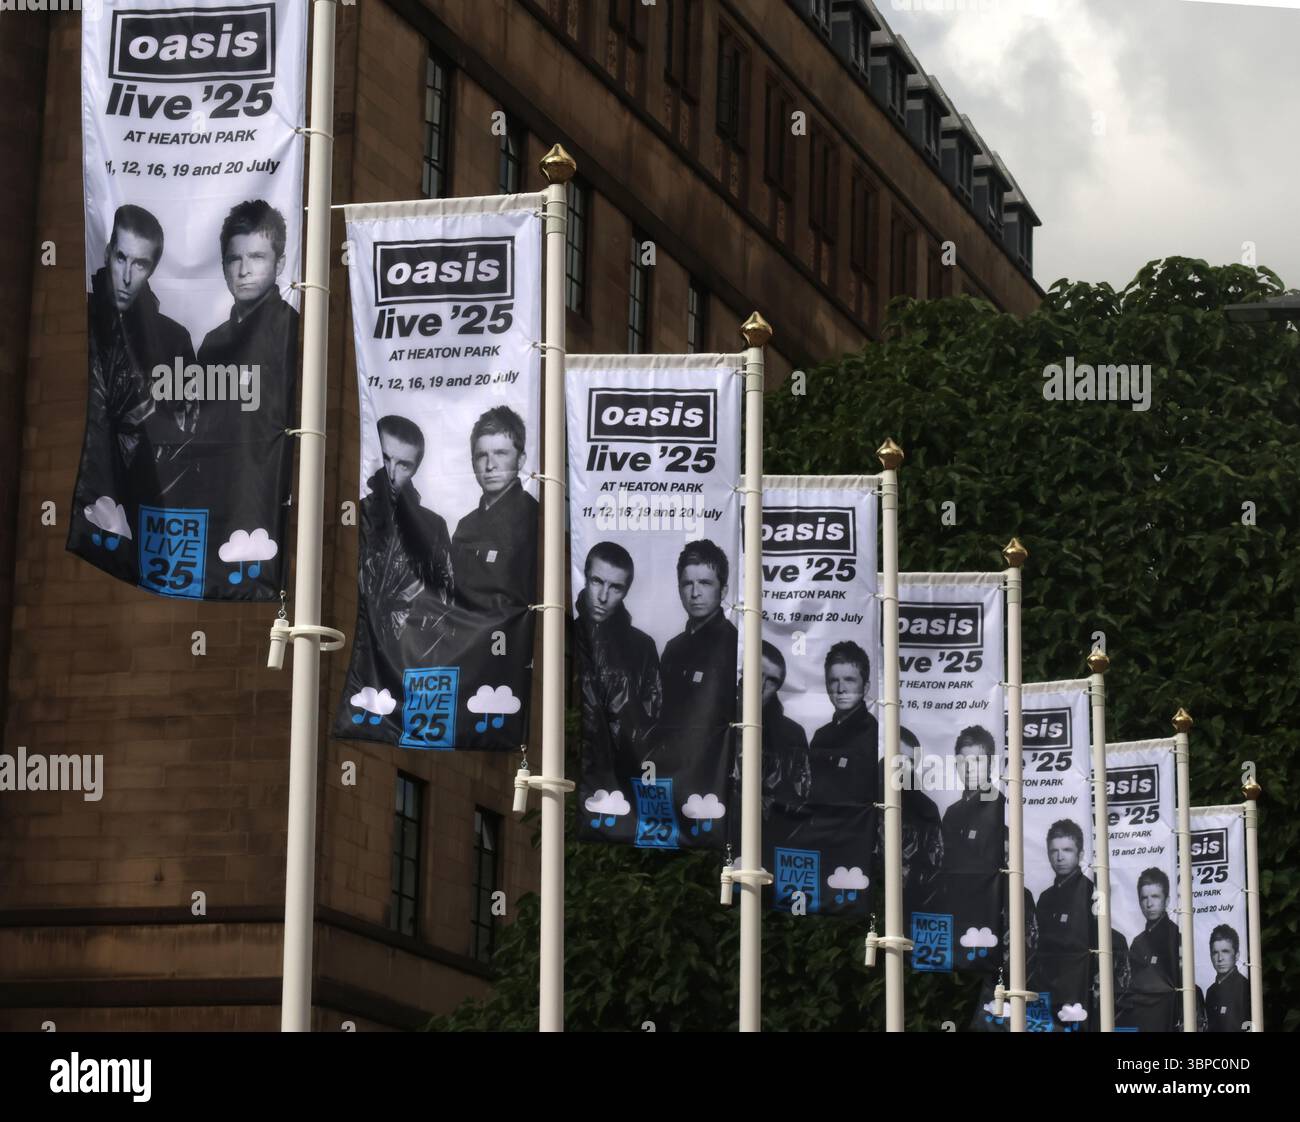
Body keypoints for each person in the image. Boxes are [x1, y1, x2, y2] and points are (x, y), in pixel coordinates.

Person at [79, 204, 195, 514]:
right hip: (84, 487)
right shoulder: (80, 320)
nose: (127, 276)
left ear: (152, 269)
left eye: (140, 265)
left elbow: (188, 433)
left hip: (146, 497)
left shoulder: (172, 340)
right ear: (108, 254)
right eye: (121, 258)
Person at [358, 415, 456, 671]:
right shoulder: (356, 516)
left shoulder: (432, 527)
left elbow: (445, 605)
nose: (391, 473)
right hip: (354, 651)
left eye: (403, 465)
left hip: (404, 661)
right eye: (386, 458)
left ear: (415, 469)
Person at [574, 541, 661, 788]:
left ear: (626, 592)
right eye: (597, 581)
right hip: (568, 765)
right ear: (586, 578)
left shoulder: (642, 647)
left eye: (615, 588)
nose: (603, 597)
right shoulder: (564, 633)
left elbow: (651, 723)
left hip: (621, 779)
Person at [452, 405, 539, 617]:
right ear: (473, 463)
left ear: (521, 459)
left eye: (500, 453)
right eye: (482, 455)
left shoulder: (535, 517)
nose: (490, 465)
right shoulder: (465, 526)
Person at [657, 539, 738, 743]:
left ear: (724, 591)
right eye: (687, 584)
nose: (695, 593)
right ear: (679, 590)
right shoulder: (672, 648)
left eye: (705, 583)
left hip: (714, 765)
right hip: (671, 762)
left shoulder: (735, 644)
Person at [936, 725, 1005, 944]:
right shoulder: (952, 812)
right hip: (953, 912)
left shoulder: (1001, 806)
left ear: (990, 763)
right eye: (962, 761)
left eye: (977, 761)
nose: (969, 768)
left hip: (988, 914)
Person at [1033, 819, 1097, 1023]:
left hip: (1079, 992)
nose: (1060, 857)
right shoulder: (1044, 898)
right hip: (1045, 990)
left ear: (1080, 854)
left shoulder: (1092, 892)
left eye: (1067, 850)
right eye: (1054, 851)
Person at [807, 641, 879, 807]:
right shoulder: (820, 736)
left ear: (866, 687)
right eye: (833, 681)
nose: (841, 689)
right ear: (826, 686)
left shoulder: (876, 735)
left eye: (849, 680)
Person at [1117, 867, 1181, 1032]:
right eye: (1144, 898)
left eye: (1155, 897)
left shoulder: (1176, 936)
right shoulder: (1137, 942)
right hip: (1138, 1022)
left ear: (1166, 901)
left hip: (1166, 1021)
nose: (1149, 903)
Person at [1205, 924, 1250, 1033]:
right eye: (1215, 953)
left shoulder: (1246, 987)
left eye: (1225, 951)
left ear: (1237, 955)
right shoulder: (1210, 991)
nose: (1220, 958)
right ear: (1211, 956)